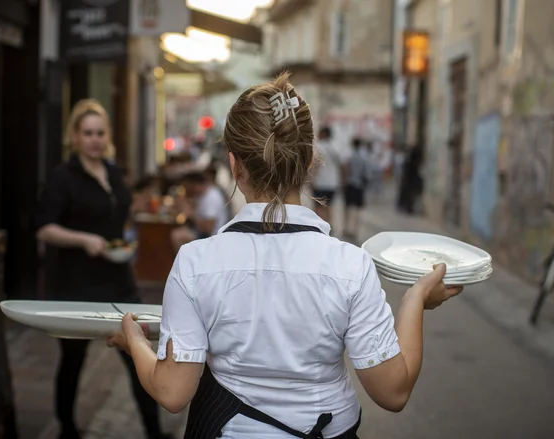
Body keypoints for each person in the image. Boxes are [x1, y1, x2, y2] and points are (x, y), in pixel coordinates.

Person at [108, 73, 463, 438]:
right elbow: (392, 391)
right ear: (309, 160)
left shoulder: (195, 263)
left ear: (234, 165)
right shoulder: (350, 265)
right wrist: (415, 299)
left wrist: (134, 340)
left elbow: (172, 391)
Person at [35, 99, 171, 439]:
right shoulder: (62, 177)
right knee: (72, 361)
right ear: (75, 137)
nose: (95, 139)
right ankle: (67, 429)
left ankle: (153, 432)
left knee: (139, 356)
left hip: (118, 280)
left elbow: (117, 217)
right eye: (88, 133)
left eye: (100, 132)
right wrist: (84, 239)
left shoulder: (111, 171)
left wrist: (125, 240)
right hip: (76, 282)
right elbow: (44, 228)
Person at [170, 170, 229, 251]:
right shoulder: (202, 195)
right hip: (204, 233)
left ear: (195, 185)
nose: (187, 190)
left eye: (187, 187)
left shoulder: (211, 197)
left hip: (212, 236)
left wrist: (191, 215)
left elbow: (208, 228)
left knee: (177, 236)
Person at [311, 126, 344, 224]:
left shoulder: (319, 146)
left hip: (320, 183)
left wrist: (312, 179)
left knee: (318, 207)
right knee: (329, 206)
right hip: (333, 183)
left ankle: (319, 227)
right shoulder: (336, 147)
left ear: (323, 134)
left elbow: (316, 166)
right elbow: (341, 166)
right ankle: (329, 226)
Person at [342, 138, 371, 243]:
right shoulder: (364, 157)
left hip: (350, 184)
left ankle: (346, 228)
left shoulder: (349, 156)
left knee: (348, 208)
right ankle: (356, 230)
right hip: (359, 186)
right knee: (358, 209)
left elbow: (345, 169)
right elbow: (367, 173)